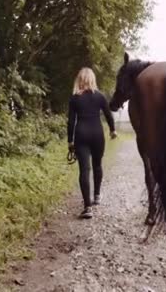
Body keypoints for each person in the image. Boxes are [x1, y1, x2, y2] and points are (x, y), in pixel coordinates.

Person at [68, 67, 117, 219]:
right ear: (92, 79)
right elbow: (109, 115)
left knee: (84, 170)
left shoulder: (74, 98)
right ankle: (96, 196)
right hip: (97, 134)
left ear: (80, 80)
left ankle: (87, 207)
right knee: (97, 165)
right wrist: (112, 130)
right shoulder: (100, 96)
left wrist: (70, 141)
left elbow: (71, 121)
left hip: (81, 135)